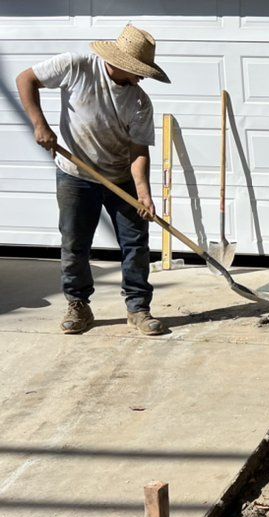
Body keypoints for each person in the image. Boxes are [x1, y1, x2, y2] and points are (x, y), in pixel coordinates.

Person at [16, 24, 170, 335]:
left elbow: (138, 151)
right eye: (139, 71)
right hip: (75, 175)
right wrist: (39, 124)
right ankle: (78, 305)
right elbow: (25, 79)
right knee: (75, 243)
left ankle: (138, 308)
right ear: (122, 63)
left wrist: (143, 193)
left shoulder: (139, 101)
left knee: (135, 244)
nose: (142, 78)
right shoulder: (76, 66)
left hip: (121, 178)